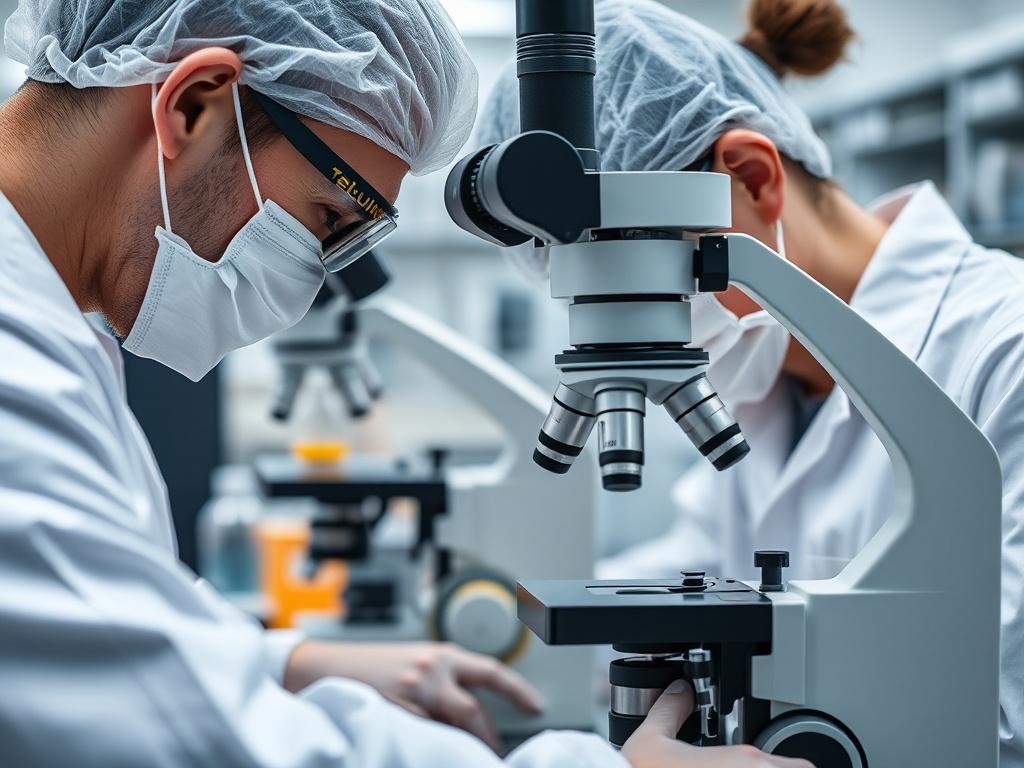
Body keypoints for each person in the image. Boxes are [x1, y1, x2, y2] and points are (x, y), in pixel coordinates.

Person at [0, 0, 812, 766]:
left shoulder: (52, 332)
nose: (308, 289)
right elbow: (199, 741)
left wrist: (290, 663)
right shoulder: (17, 370)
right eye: (328, 218)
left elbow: (110, 622)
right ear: (192, 104)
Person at [478, 0, 1024, 765]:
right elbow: (692, 574)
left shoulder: (1006, 350)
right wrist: (488, 641)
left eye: (671, 284)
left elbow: (999, 712)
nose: (669, 326)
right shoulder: (771, 384)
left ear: (752, 178)